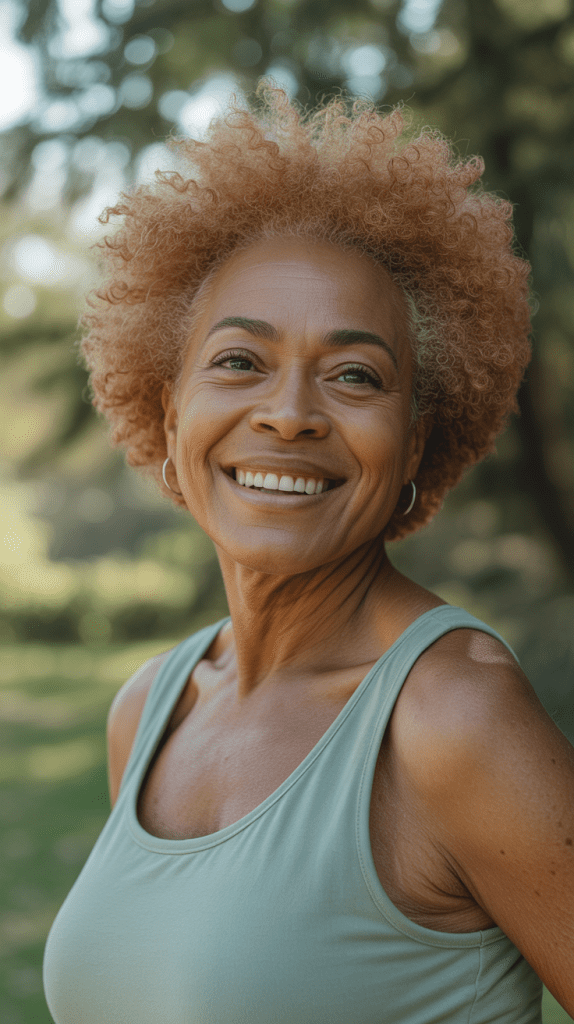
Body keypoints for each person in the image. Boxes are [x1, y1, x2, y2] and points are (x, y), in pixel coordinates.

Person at [43, 85, 574, 1023]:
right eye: (240, 361)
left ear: (413, 444)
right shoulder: (150, 707)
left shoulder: (454, 717)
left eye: (355, 375)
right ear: (170, 413)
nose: (289, 413)